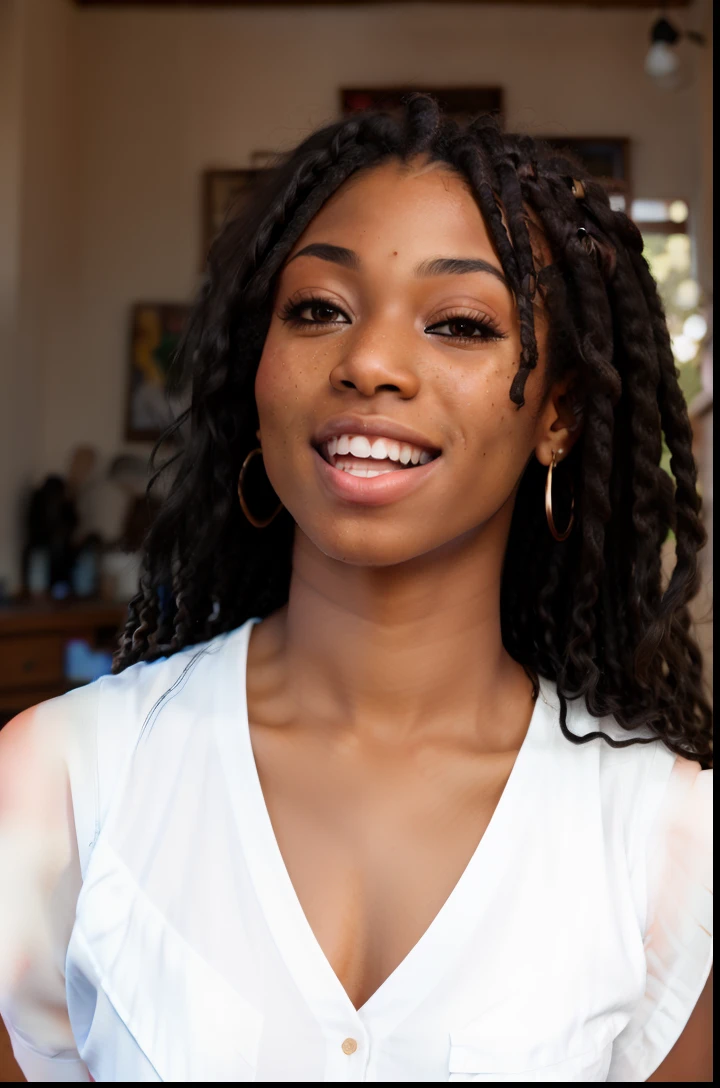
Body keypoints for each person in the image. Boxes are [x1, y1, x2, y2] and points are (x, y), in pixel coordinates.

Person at [0, 97, 712, 1083]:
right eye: (319, 309)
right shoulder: (65, 782)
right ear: (259, 373)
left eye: (460, 322)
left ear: (558, 414)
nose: (370, 361)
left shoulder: (667, 839)